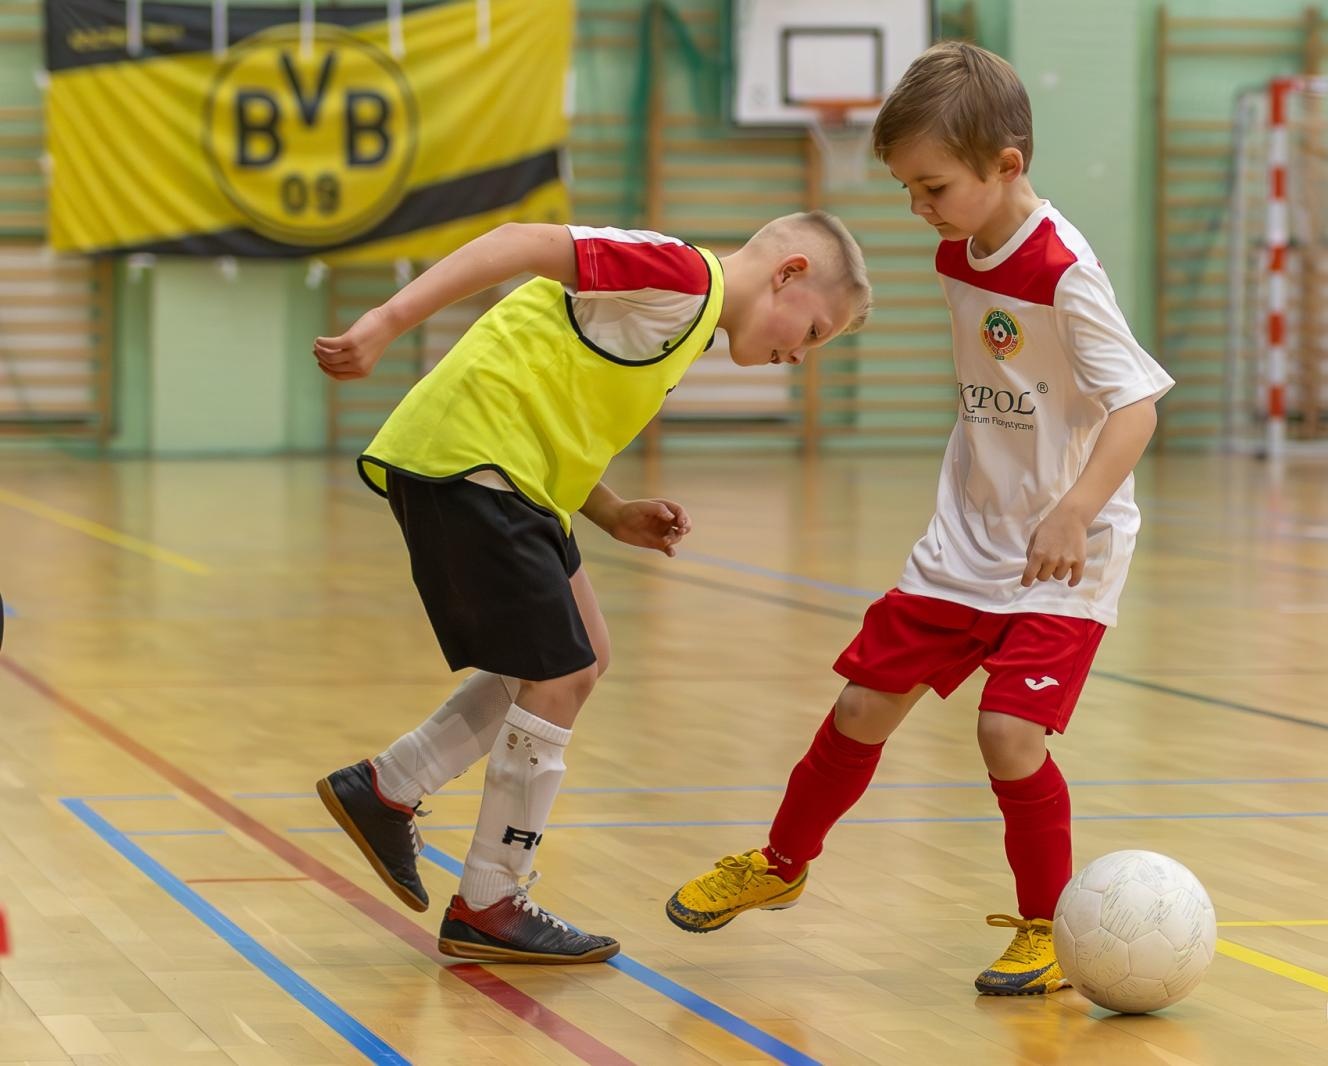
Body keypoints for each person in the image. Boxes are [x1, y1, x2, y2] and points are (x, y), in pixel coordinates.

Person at [666, 42, 1174, 996]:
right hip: (967, 537)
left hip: (1070, 545)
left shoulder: (1065, 271)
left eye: (931, 186)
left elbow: (1137, 404)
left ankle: (1045, 927)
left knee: (1008, 737)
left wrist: (1072, 509)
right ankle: (780, 864)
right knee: (861, 708)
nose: (918, 209)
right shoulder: (960, 245)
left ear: (1007, 167)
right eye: (907, 188)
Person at [314, 213, 871, 963]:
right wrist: (385, 321)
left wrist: (609, 511)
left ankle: (387, 787)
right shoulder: (681, 276)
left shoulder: (688, 319)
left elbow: (555, 396)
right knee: (560, 674)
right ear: (789, 273)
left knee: (588, 654)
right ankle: (489, 897)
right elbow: (520, 241)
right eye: (813, 332)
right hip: (476, 459)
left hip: (516, 474)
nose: (802, 356)